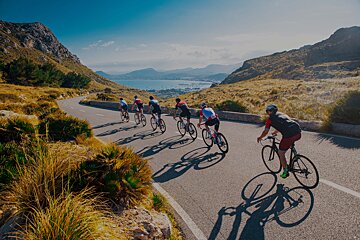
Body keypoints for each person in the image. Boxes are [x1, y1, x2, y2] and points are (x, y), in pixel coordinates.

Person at [257, 104, 302, 179]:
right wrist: (276, 131)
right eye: (268, 111)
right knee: (290, 142)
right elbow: (286, 123)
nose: (269, 112)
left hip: (289, 136)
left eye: (269, 111)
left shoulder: (270, 120)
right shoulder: (282, 114)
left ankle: (285, 171)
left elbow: (266, 131)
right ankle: (295, 155)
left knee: (281, 152)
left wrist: (260, 137)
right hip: (298, 132)